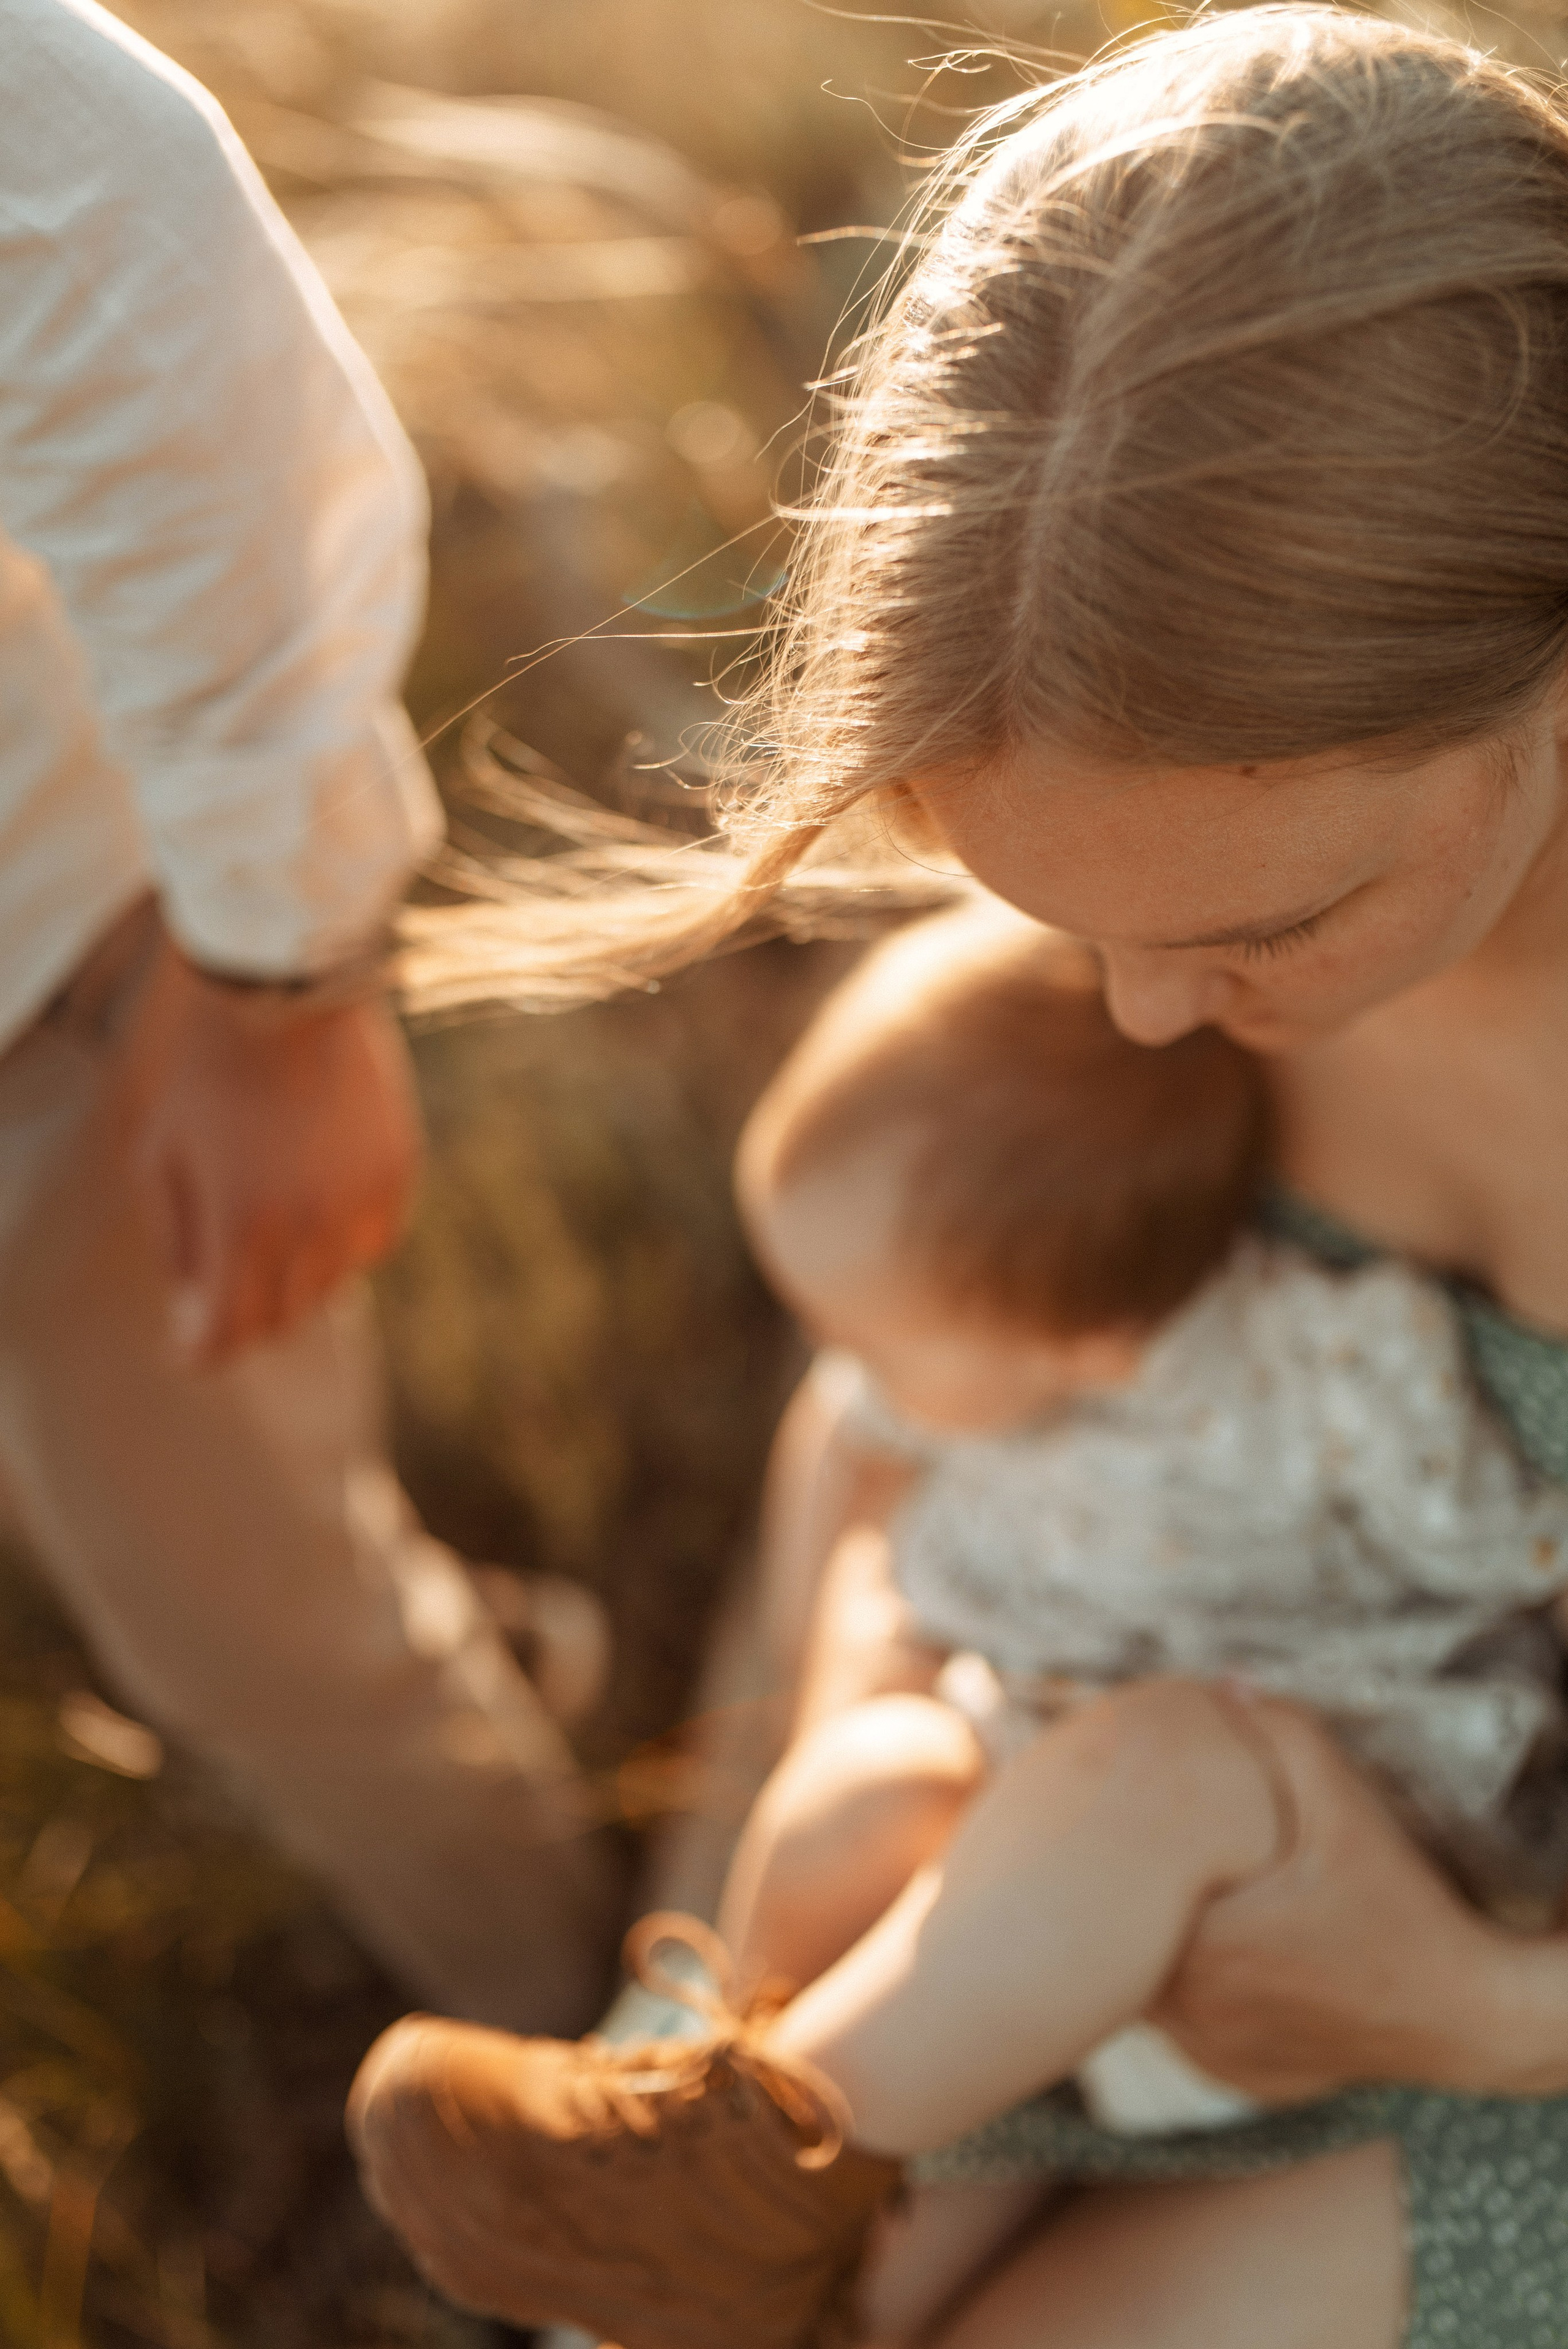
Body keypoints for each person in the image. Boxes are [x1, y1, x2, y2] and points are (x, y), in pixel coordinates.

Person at [353, 8, 1568, 2343]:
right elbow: (898, 1405)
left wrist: (1462, 2010)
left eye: (1257, 925)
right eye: (1059, 915)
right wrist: (709, 1971)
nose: (1131, 1014)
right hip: (1101, 1872)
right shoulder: (1129, 950)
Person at [345, 899, 1568, 2345]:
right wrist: (856, 1675)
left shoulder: (1298, 1372)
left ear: (1083, 1347)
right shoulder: (1134, 1005)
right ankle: (707, 2136)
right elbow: (866, 1418)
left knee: (1158, 1763)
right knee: (859, 1804)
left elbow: (1489, 1528)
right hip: (1048, 1777)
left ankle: (743, 2185)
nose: (854, 1375)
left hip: (1339, 1821)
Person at [0, 0, 620, 2035]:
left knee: (255, 1625)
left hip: (65, 997)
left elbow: (128, 252)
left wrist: (274, 977)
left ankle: (600, 2111)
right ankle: (498, 1676)